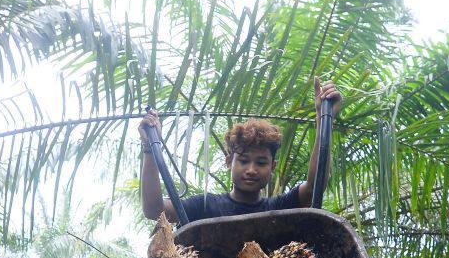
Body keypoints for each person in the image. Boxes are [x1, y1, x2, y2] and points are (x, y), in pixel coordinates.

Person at [139, 79, 343, 222]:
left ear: (272, 167)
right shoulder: (205, 206)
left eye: (261, 163)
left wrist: (323, 119)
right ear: (229, 162)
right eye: (244, 160)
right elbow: (154, 211)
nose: (252, 169)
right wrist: (149, 148)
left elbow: (314, 187)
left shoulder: (279, 208)